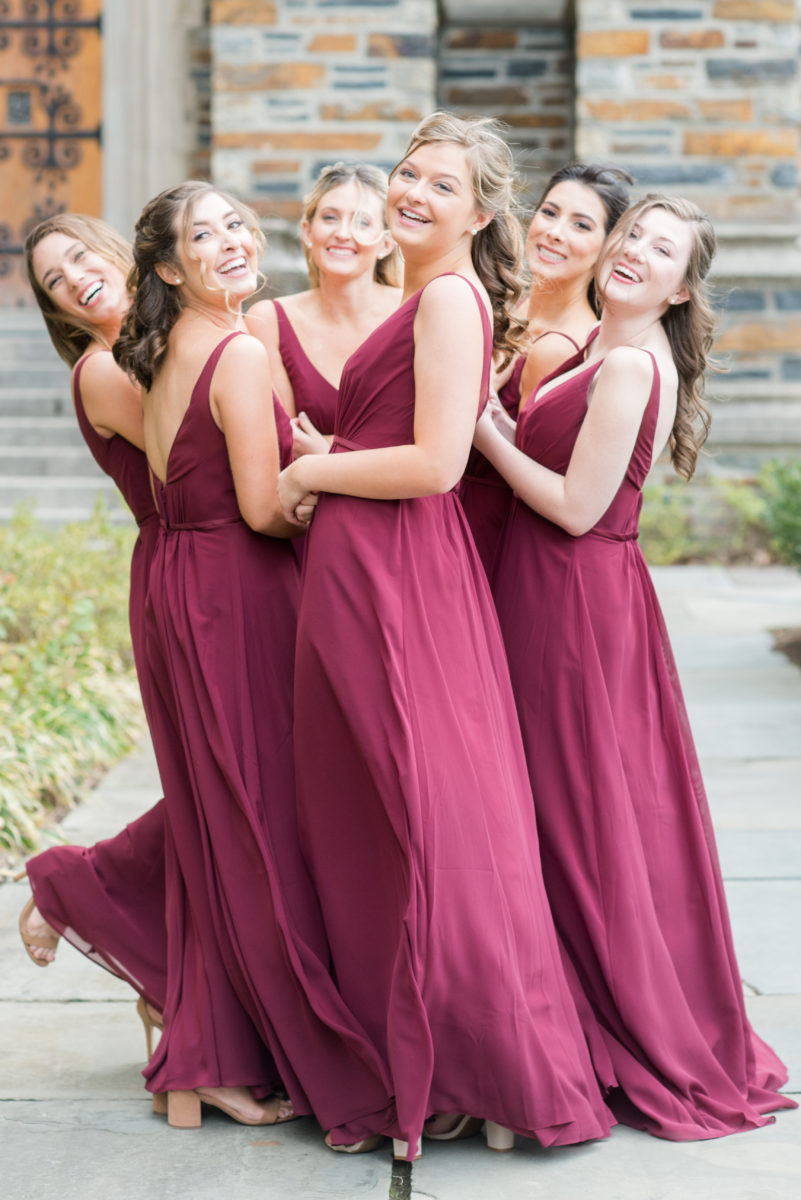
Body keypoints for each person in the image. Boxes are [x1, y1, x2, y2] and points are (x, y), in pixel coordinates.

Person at [277, 112, 614, 1160]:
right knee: (374, 814)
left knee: (432, 814)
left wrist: (309, 469)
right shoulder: (426, 296)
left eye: (440, 184)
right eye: (407, 173)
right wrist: (330, 451)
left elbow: (431, 464)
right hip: (362, 572)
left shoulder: (456, 300)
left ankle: (477, 1060)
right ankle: (413, 1048)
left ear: (480, 211)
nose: (412, 192)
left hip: (398, 577)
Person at [474, 193, 797, 1138]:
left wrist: (484, 429)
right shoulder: (598, 349)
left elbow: (575, 508)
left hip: (570, 601)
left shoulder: (625, 366)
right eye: (632, 237)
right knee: (571, 811)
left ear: (681, 285)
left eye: (661, 250)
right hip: (563, 591)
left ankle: (588, 1029)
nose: (634, 255)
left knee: (569, 815)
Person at [113, 181, 394, 1134]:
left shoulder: (165, 350)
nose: (232, 240)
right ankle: (241, 1047)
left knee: (216, 817)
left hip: (183, 581)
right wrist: (329, 479)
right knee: (263, 823)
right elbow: (267, 508)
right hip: (238, 592)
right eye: (204, 234)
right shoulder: (234, 350)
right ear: (164, 266)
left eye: (237, 222)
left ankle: (206, 1050)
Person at [19, 215, 168, 1043]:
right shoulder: (105, 369)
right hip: (195, 573)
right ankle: (79, 888)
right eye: (54, 281)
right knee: (237, 790)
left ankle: (171, 973)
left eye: (79, 255)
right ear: (63, 316)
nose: (74, 277)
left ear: (116, 249)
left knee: (262, 789)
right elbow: (199, 457)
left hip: (265, 562)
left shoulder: (174, 336)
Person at [459, 163, 632, 575]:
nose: (555, 232)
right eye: (550, 213)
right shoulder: (509, 309)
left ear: (608, 248)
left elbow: (531, 466)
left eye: (581, 225)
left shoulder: (561, 349)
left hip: (493, 533)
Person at [246, 161, 402, 457]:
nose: (343, 233)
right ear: (307, 231)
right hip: (314, 500)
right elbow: (285, 444)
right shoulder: (270, 320)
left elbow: (433, 440)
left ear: (387, 243)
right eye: (330, 218)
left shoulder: (416, 309)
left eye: (362, 222)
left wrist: (327, 449)